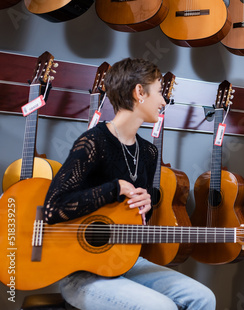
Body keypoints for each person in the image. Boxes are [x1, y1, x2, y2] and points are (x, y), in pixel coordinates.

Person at [43, 58, 216, 310]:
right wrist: (115, 188)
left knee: (204, 298)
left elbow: (134, 218)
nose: (164, 102)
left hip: (126, 261)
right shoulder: (93, 142)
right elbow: (52, 208)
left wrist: (145, 208)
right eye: (159, 92)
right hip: (81, 271)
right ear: (139, 92)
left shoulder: (148, 153)